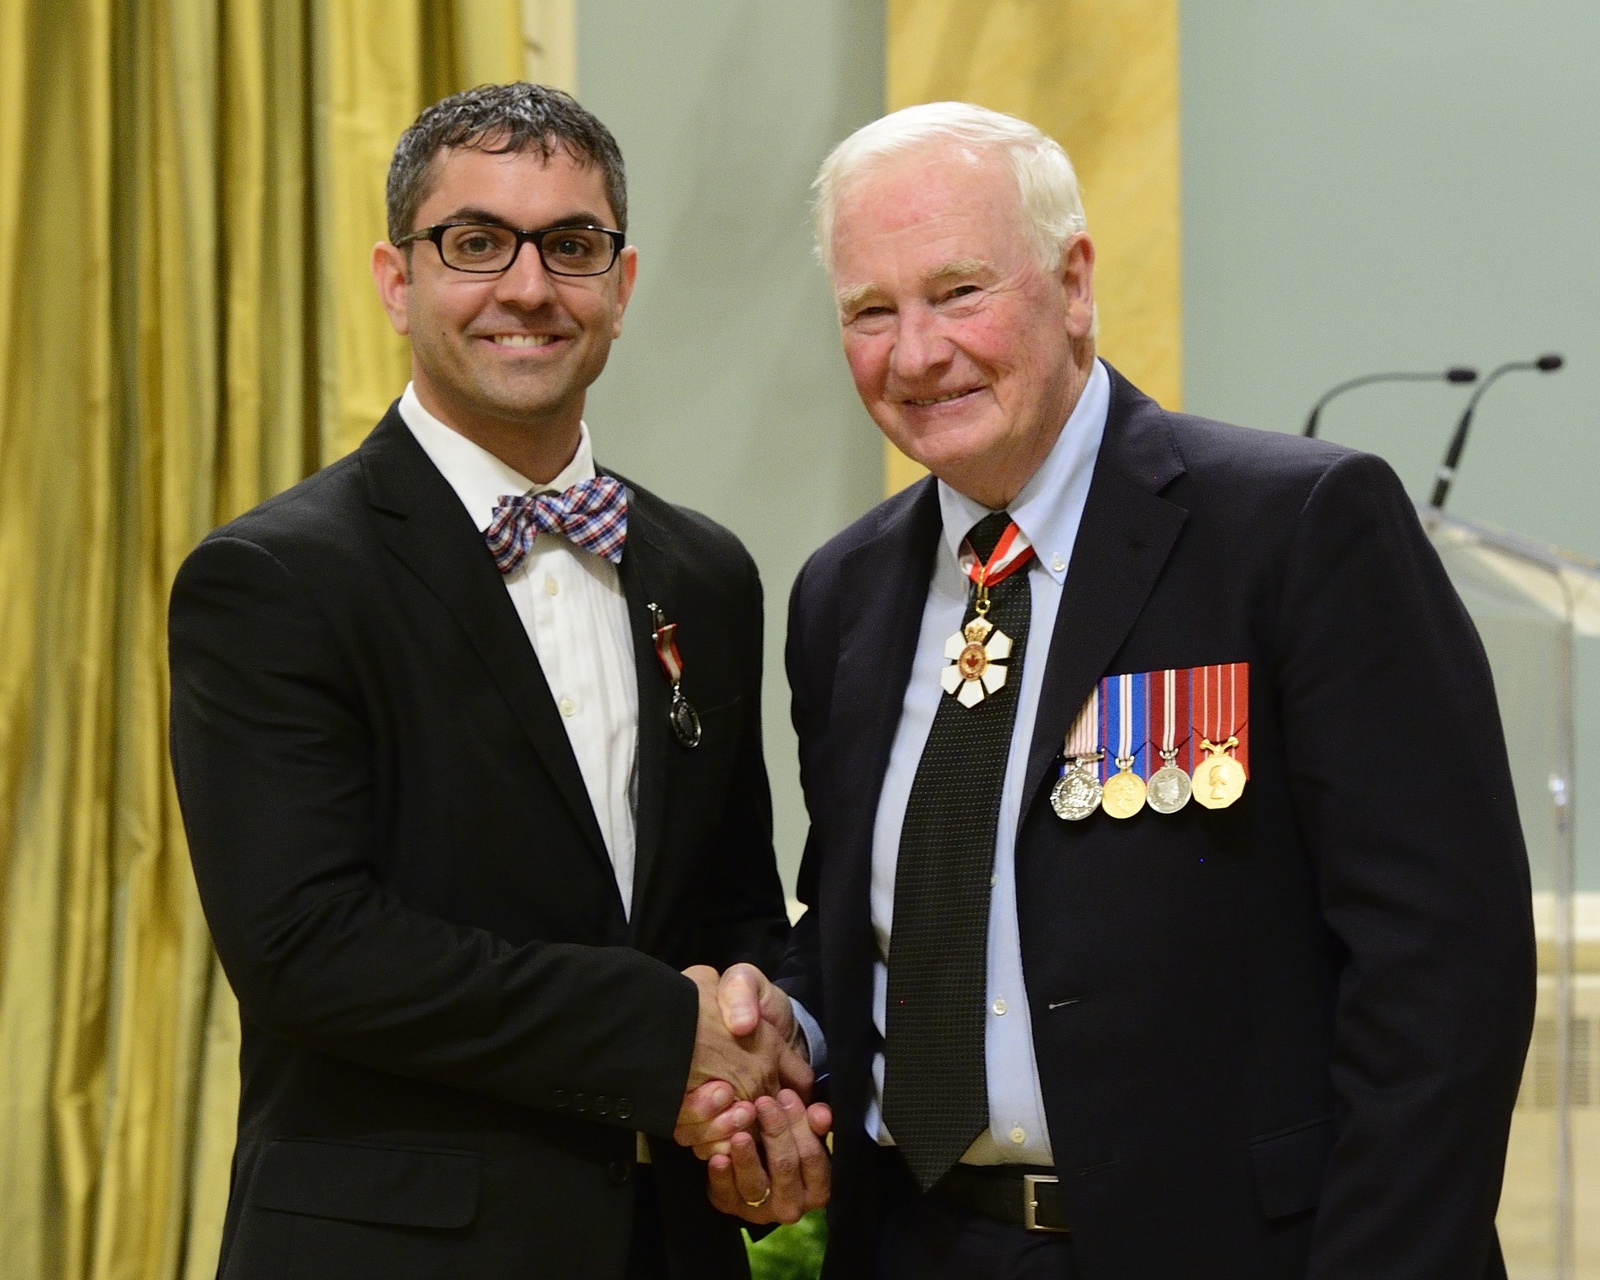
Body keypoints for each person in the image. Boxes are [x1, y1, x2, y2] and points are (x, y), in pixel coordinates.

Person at [685, 102, 1536, 1278]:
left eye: (958, 291)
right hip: (922, 1247)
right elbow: (870, 923)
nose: (917, 351)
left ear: (1073, 281)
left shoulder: (1292, 529)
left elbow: (1442, 972)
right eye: (870, 312)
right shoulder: (843, 594)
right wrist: (786, 1032)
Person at [169, 82, 806, 1280]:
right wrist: (665, 1036)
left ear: (620, 286)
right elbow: (306, 945)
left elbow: (731, 906)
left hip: (669, 1246)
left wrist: (768, 1065)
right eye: (476, 243)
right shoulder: (273, 577)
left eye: (571, 245)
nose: (528, 287)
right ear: (396, 278)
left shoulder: (704, 572)